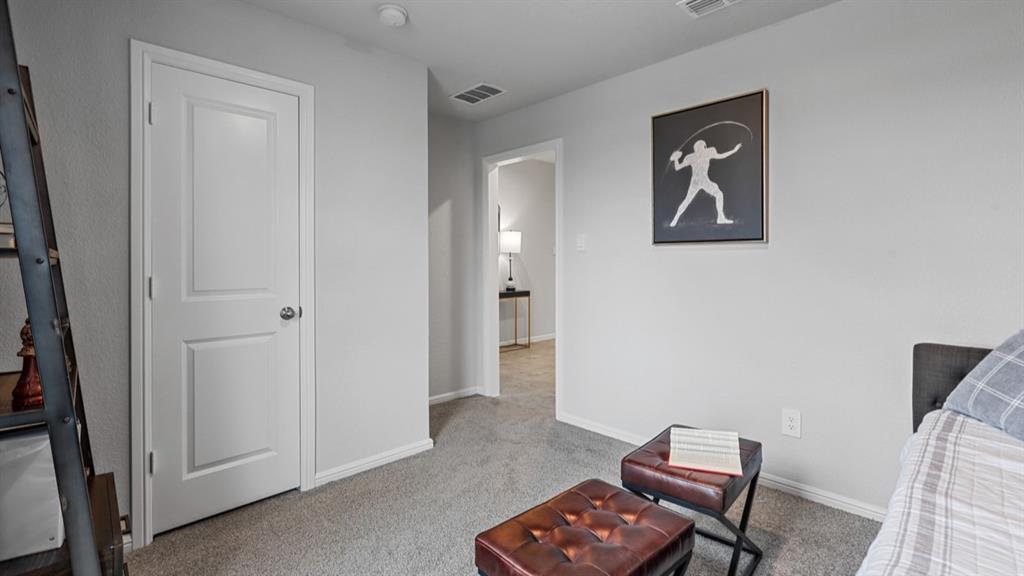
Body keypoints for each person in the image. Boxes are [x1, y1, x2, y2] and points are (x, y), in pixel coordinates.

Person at [668, 139, 741, 226]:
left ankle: (675, 220)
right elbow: (721, 156)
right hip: (699, 181)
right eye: (703, 146)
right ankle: (675, 220)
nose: (703, 148)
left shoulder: (694, 156)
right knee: (717, 194)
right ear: (702, 146)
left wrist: (676, 159)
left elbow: (677, 167)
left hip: (700, 181)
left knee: (716, 194)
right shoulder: (704, 153)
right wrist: (734, 150)